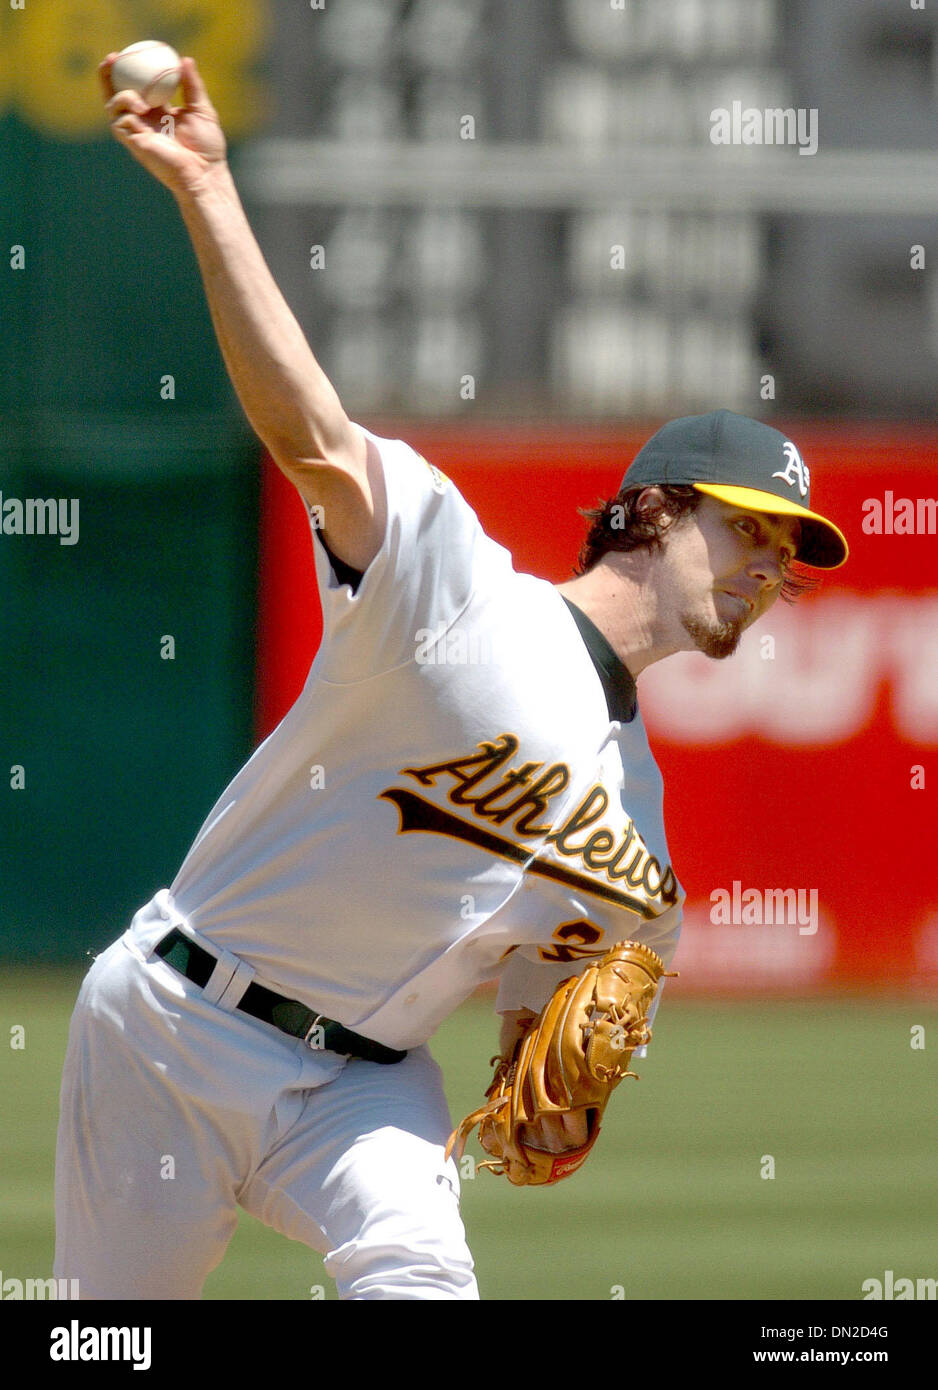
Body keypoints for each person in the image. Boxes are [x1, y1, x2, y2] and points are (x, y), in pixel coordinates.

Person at [53, 56, 848, 1301]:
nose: (766, 566)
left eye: (786, 554)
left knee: (423, 1280)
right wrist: (207, 186)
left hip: (364, 1084)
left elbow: (536, 1045)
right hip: (174, 1024)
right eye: (747, 528)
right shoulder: (454, 587)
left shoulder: (638, 846)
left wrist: (550, 1105)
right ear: (649, 506)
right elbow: (308, 434)